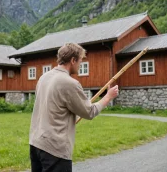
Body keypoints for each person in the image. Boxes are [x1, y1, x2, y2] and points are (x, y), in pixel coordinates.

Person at [29, 43, 119, 172]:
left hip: (36, 143)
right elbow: (90, 112)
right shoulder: (69, 83)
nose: (80, 65)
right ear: (73, 60)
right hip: (55, 149)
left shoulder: (44, 77)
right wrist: (108, 97)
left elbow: (55, 107)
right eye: (80, 61)